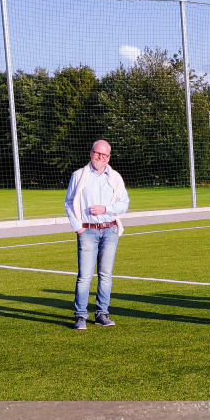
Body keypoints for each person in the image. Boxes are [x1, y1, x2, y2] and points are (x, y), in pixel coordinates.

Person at [65, 140, 130, 330]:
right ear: (91, 153)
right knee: (85, 276)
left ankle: (102, 313)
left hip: (110, 230)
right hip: (87, 230)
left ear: (109, 157)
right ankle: (81, 316)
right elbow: (69, 202)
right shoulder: (79, 175)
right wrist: (78, 226)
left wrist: (106, 208)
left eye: (104, 155)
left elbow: (124, 203)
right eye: (97, 153)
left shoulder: (115, 177)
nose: (100, 157)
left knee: (106, 274)